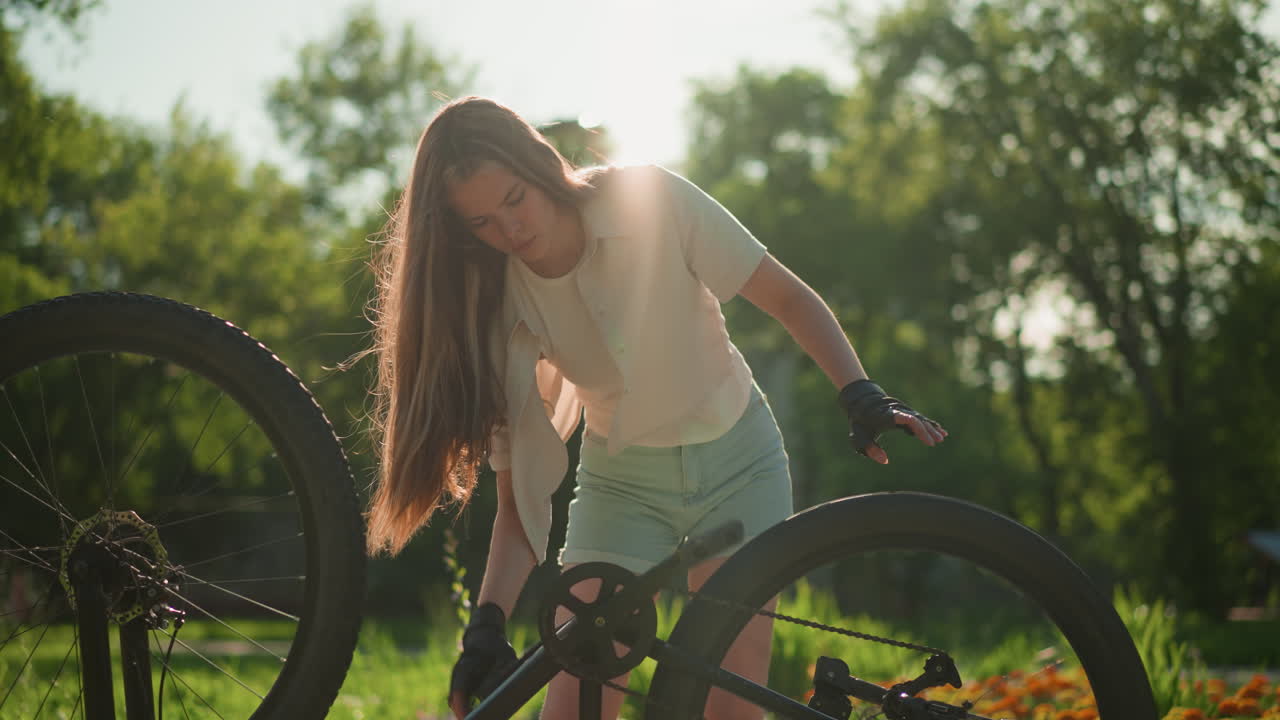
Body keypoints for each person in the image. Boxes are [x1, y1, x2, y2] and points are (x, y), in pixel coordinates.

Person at [361, 96, 947, 720]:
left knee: (729, 697)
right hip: (622, 485)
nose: (511, 230)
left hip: (740, 464)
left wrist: (860, 393)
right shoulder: (502, 306)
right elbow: (518, 504)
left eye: (514, 199)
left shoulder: (651, 198)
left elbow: (786, 296)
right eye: (481, 222)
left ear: (539, 165)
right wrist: (486, 624)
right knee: (577, 699)